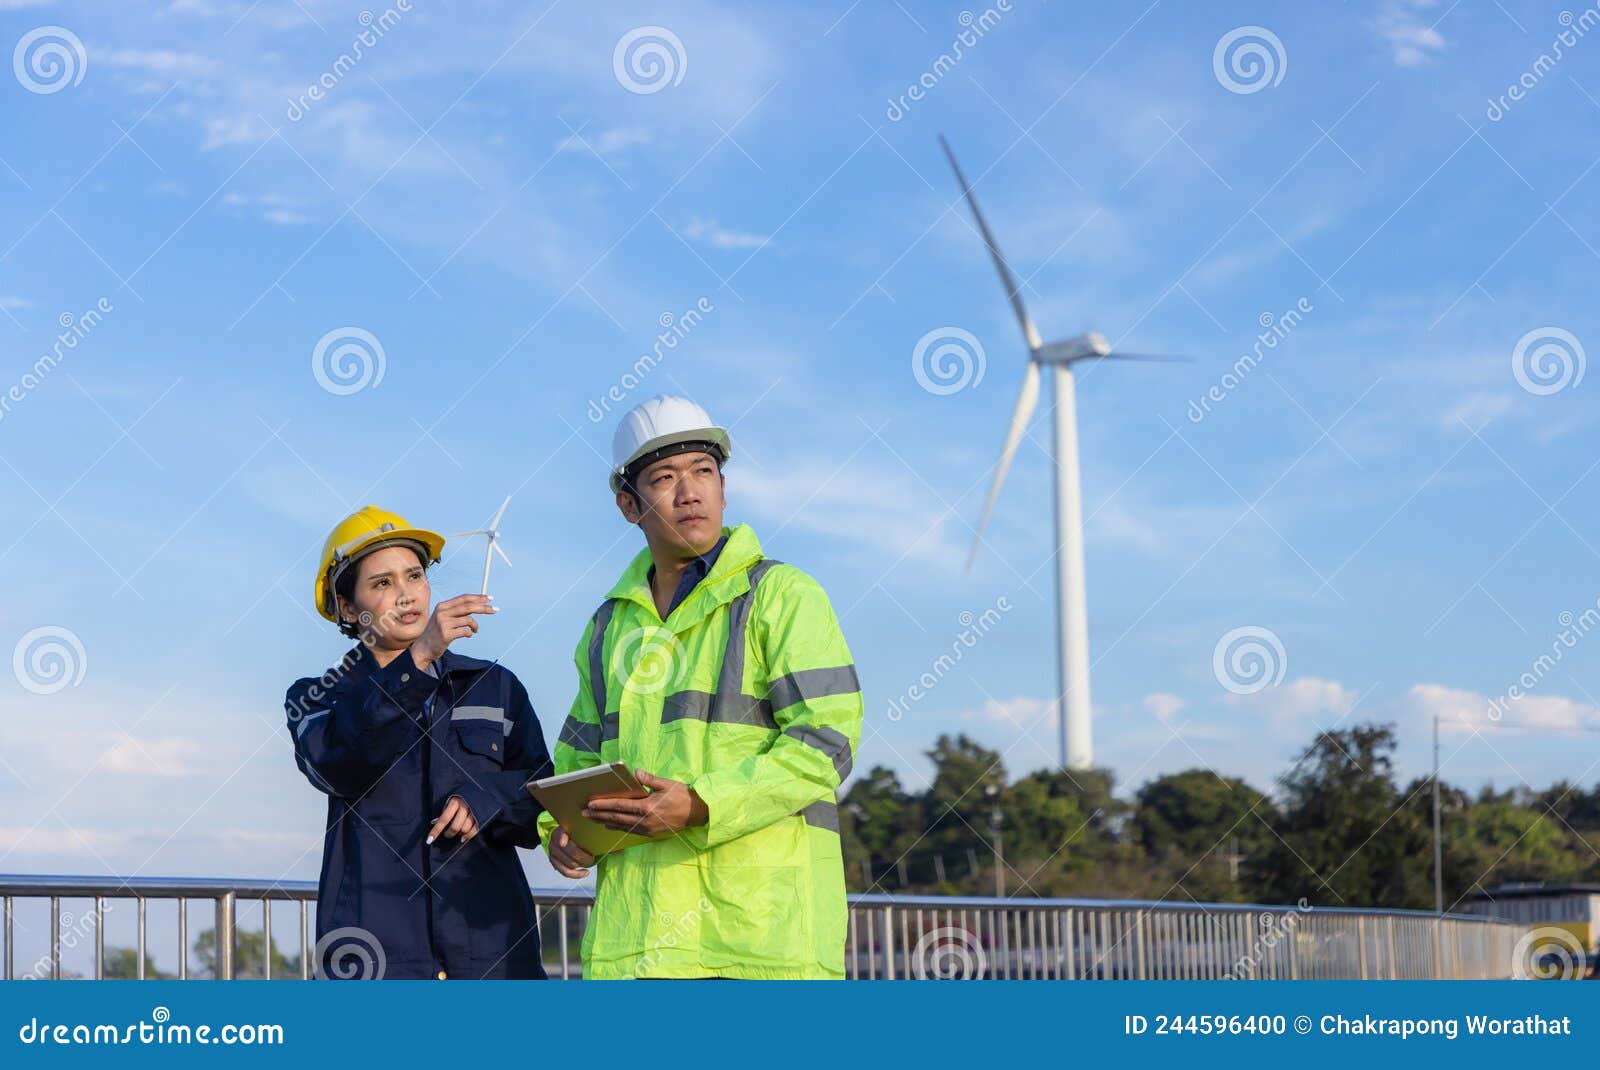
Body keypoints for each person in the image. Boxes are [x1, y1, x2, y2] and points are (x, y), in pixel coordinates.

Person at [538, 396, 864, 979]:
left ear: (723, 488)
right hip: (638, 949)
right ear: (628, 505)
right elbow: (577, 762)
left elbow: (827, 741)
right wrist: (562, 832)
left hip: (759, 944)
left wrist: (701, 804)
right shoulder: (608, 628)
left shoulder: (783, 596)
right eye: (665, 478)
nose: (690, 492)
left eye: (704, 472)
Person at [285, 506, 553, 980]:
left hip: (494, 960)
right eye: (382, 583)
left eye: (414, 575)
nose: (406, 594)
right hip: (378, 965)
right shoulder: (318, 697)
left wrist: (486, 798)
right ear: (347, 607)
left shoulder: (495, 686)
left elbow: (544, 797)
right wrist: (418, 659)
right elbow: (339, 768)